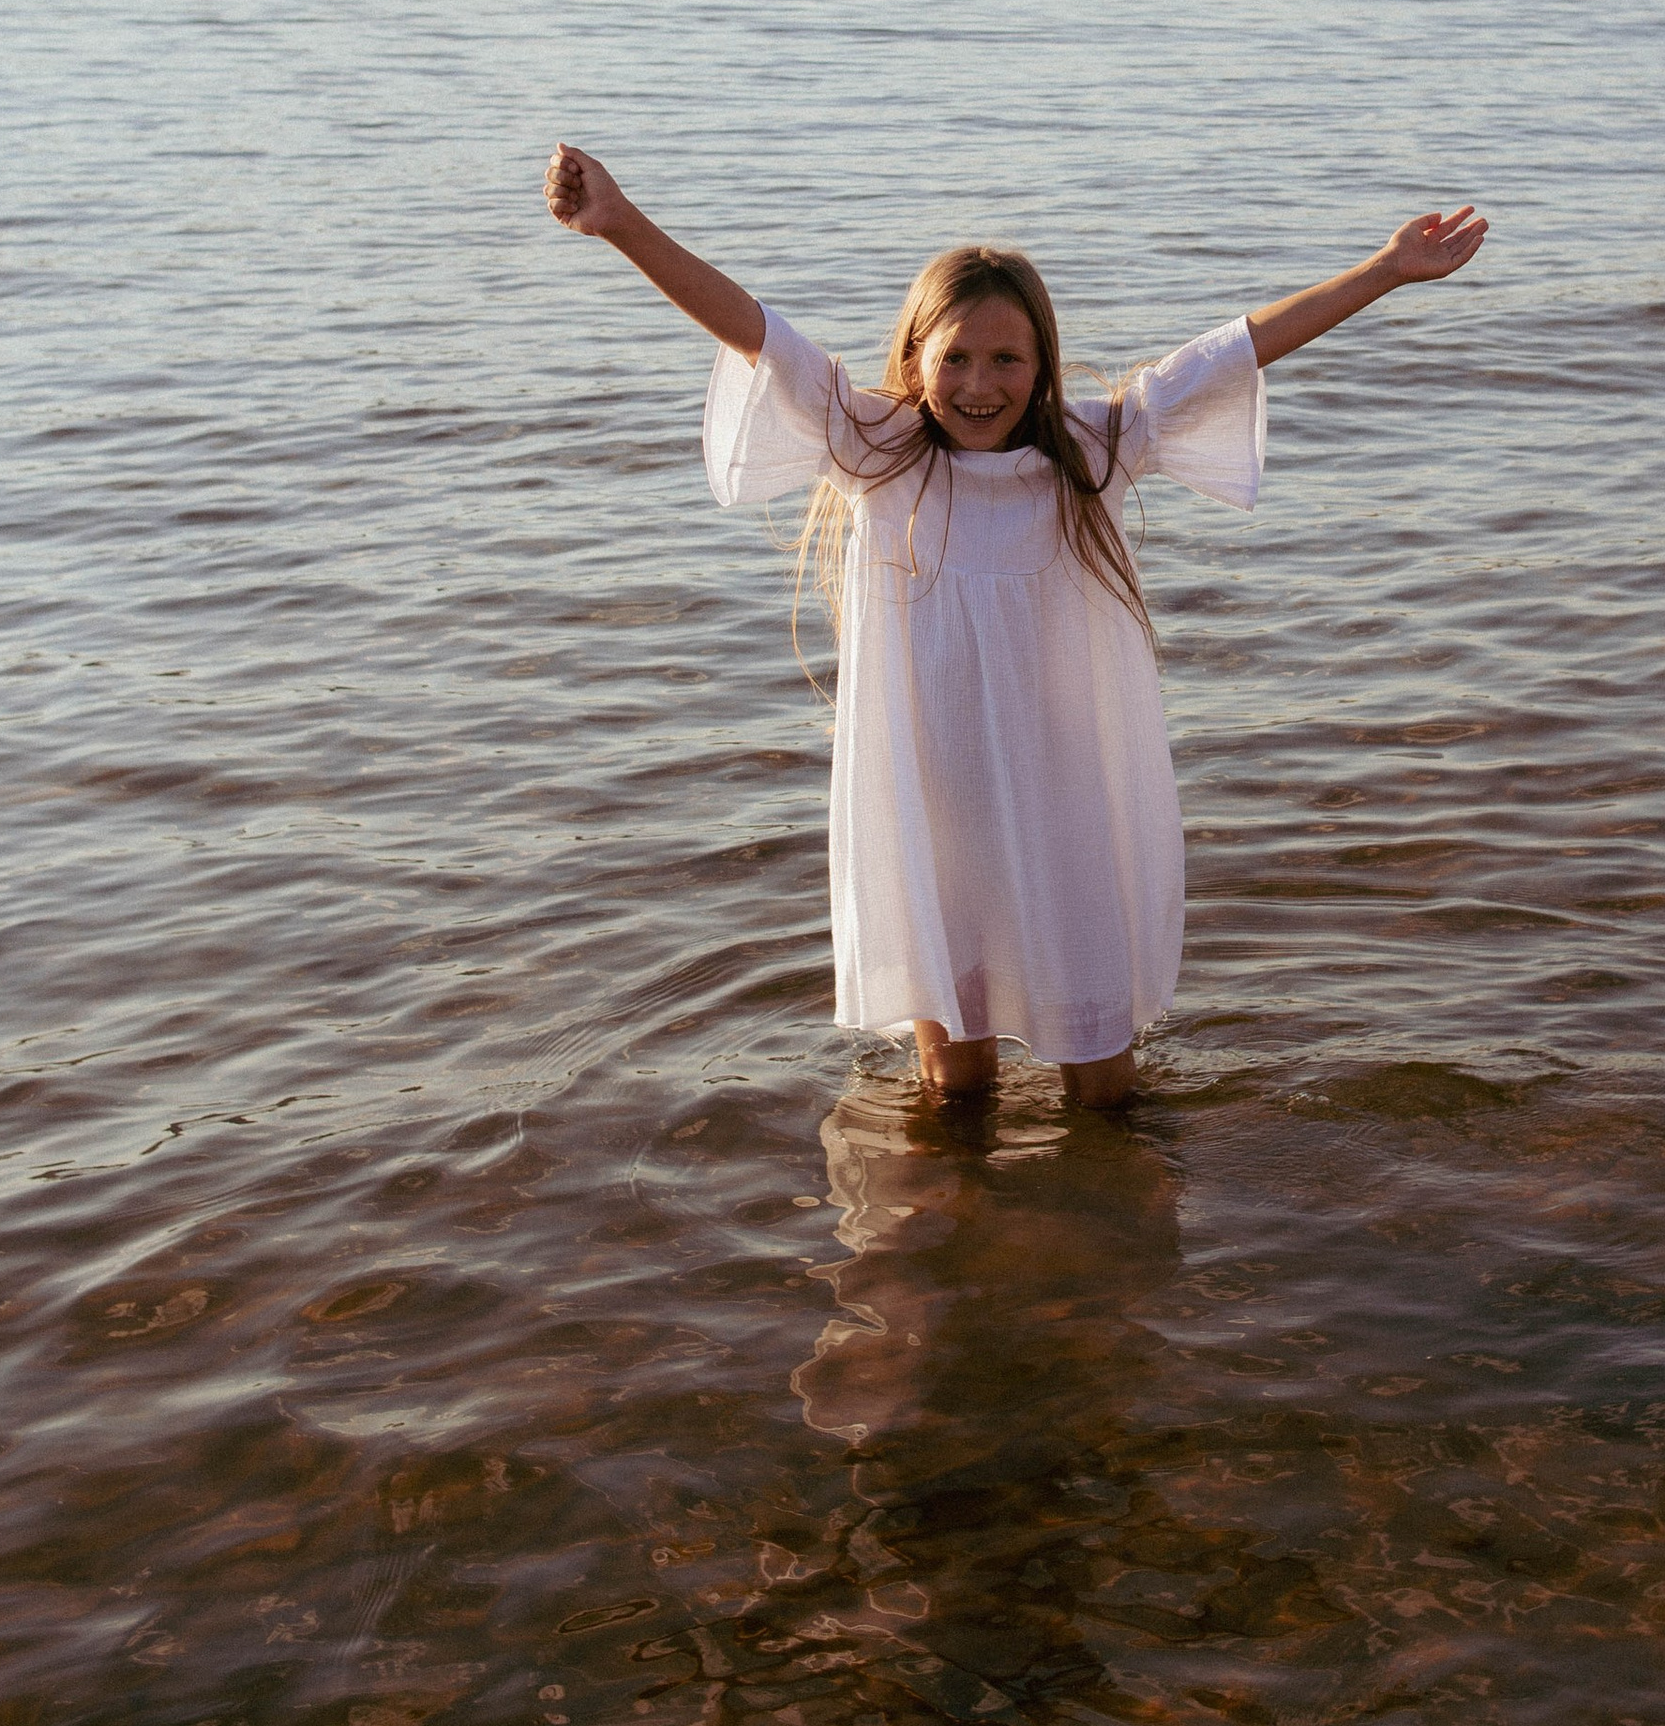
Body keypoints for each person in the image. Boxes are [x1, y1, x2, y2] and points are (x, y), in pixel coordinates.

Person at [544, 147, 1486, 1107]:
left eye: (1006, 359)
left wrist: (1382, 272)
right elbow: (754, 330)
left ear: (1042, 365)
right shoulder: (875, 454)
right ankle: (963, 1231)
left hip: (1066, 798)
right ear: (915, 357)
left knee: (1102, 1079)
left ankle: (1107, 1236)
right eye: (953, 357)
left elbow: (1233, 349)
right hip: (928, 800)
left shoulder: (1093, 451)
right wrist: (619, 223)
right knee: (953, 1079)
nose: (978, 384)